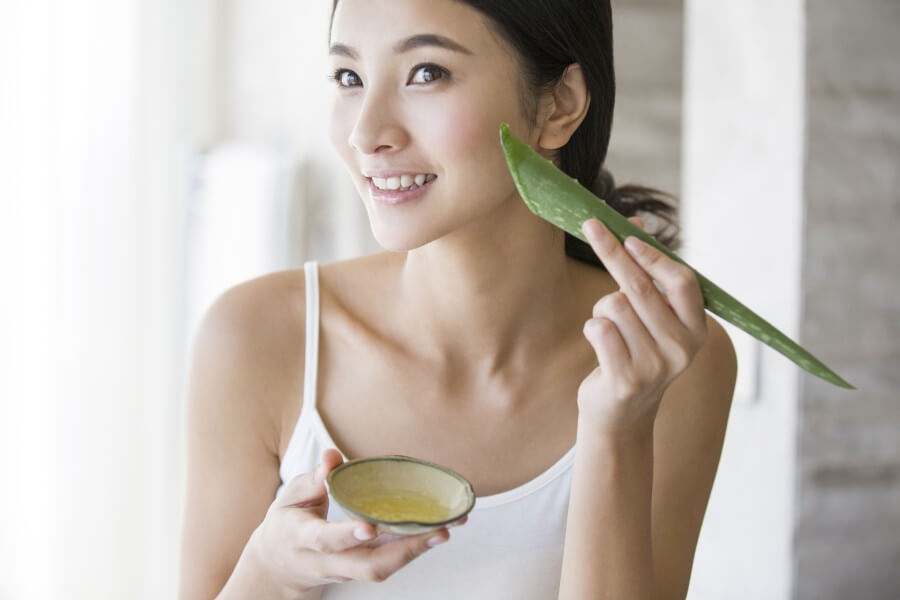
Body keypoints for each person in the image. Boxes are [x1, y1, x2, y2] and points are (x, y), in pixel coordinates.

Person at [178, 0, 737, 598]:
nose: (367, 132)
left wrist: (615, 428)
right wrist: (271, 569)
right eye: (350, 77)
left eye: (426, 73)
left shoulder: (670, 361)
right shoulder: (257, 337)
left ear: (560, 104)